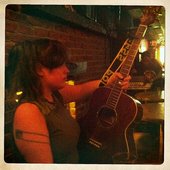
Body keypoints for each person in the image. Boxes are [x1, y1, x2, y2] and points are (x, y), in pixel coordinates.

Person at [6, 38, 131, 163]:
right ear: (39, 70)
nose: (66, 70)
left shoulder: (53, 94)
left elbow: (81, 90)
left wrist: (110, 81)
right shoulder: (28, 112)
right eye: (60, 65)